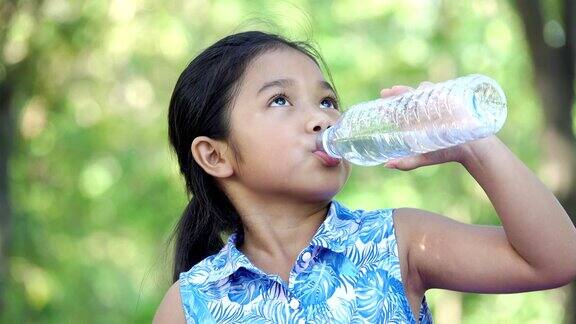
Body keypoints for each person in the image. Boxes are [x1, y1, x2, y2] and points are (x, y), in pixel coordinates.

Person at [153, 30, 576, 324]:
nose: (321, 116)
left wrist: (470, 144)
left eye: (327, 99)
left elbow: (555, 259)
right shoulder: (190, 304)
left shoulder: (397, 241)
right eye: (281, 100)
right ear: (215, 155)